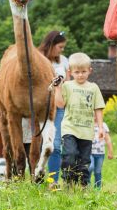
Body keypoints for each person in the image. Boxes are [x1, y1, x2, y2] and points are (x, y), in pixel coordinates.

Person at [59, 52, 105, 187]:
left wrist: (101, 127)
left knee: (84, 161)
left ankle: (83, 186)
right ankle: (68, 183)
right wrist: (57, 88)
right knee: (70, 154)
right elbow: (60, 104)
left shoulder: (93, 87)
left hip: (86, 131)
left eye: (83, 71)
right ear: (70, 72)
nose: (80, 75)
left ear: (89, 71)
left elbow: (98, 108)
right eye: (77, 72)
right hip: (70, 128)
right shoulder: (67, 86)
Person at [38, 30, 70, 185]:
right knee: (38, 143)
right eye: (60, 47)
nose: (62, 50)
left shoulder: (63, 61)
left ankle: (53, 181)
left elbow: (69, 83)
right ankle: (36, 176)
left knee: (56, 145)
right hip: (40, 108)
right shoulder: (38, 59)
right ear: (51, 44)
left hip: (58, 108)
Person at [88, 120, 114, 189]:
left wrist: (110, 151)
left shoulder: (103, 125)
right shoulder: (88, 123)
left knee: (98, 171)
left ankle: (97, 188)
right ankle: (87, 184)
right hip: (89, 152)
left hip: (100, 153)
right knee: (90, 167)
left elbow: (108, 139)